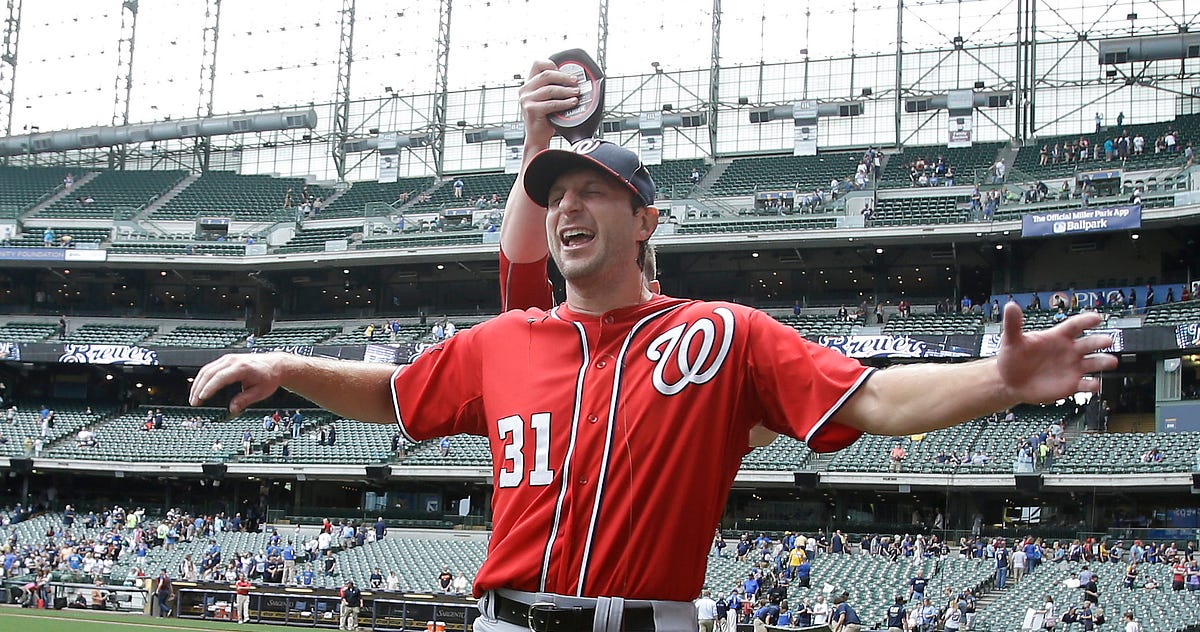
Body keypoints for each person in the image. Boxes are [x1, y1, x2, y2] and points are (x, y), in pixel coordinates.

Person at [187, 59, 1117, 632]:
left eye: (591, 194)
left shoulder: (718, 335)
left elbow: (870, 401)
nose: (567, 210)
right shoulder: (507, 341)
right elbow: (392, 397)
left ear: (644, 222)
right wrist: (282, 365)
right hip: (504, 620)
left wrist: (998, 380)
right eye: (555, 197)